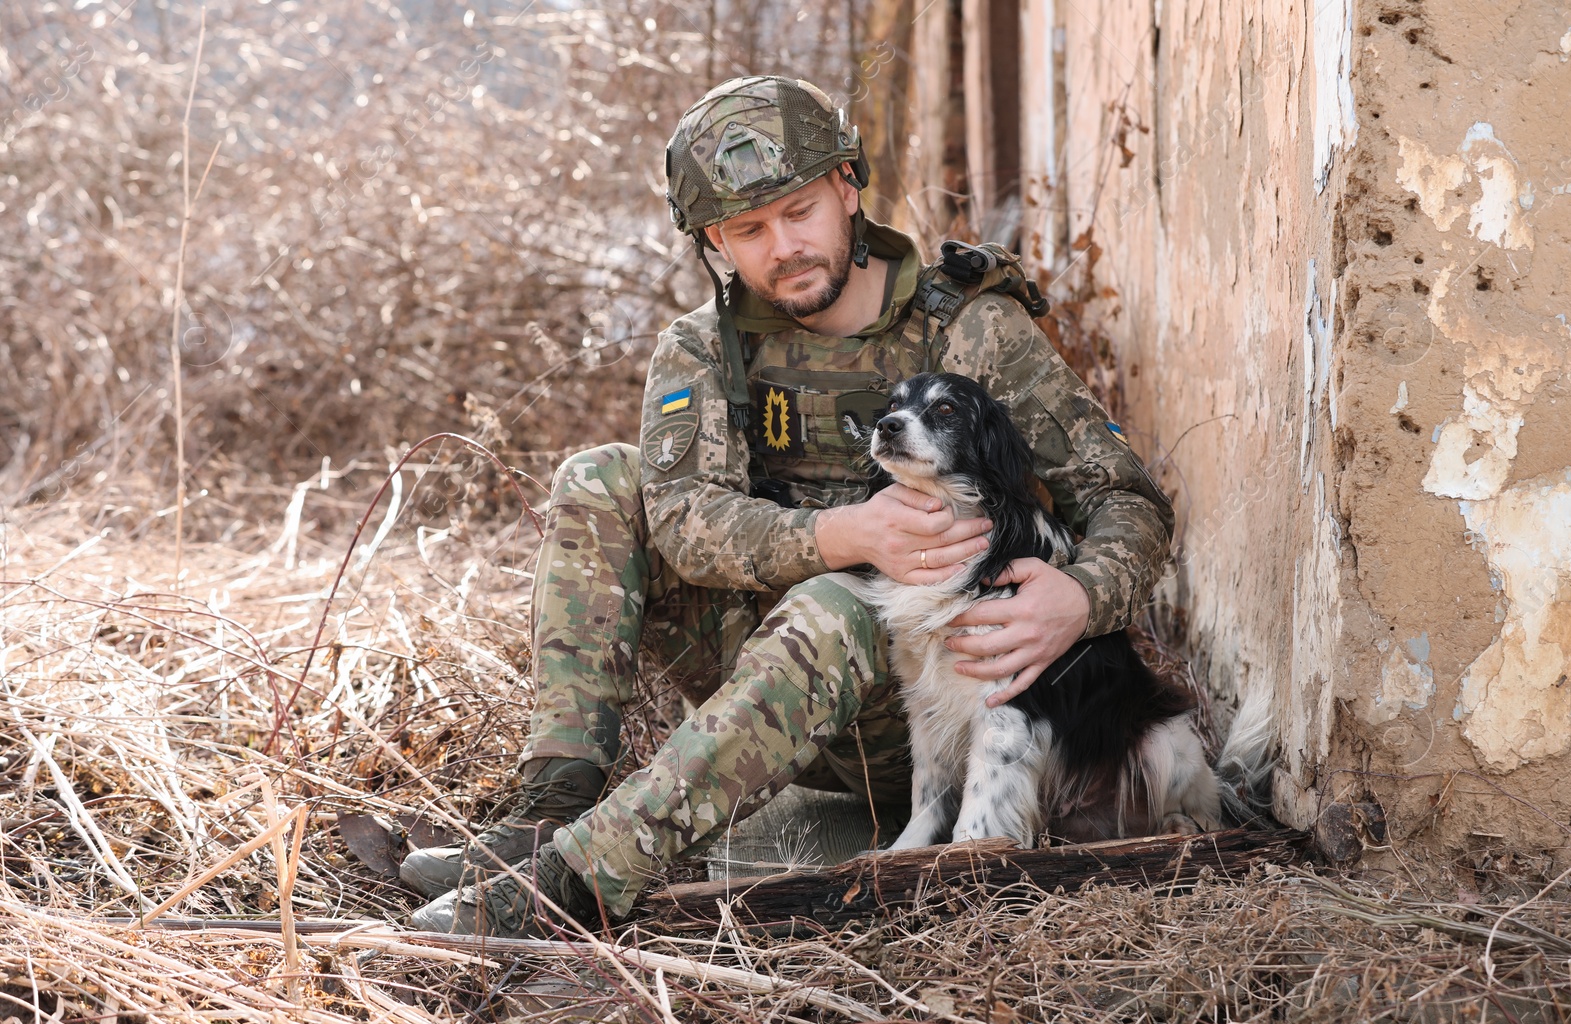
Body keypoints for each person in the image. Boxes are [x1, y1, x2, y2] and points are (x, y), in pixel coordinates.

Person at [406, 75, 1174, 935]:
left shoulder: (968, 327)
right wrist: (841, 532)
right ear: (713, 240)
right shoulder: (704, 345)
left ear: (849, 185)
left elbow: (1126, 498)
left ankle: (575, 881)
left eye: (800, 210)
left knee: (838, 603)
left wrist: (1080, 597)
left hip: (923, 699)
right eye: (748, 229)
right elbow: (680, 520)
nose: (784, 246)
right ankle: (546, 818)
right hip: (760, 680)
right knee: (599, 477)